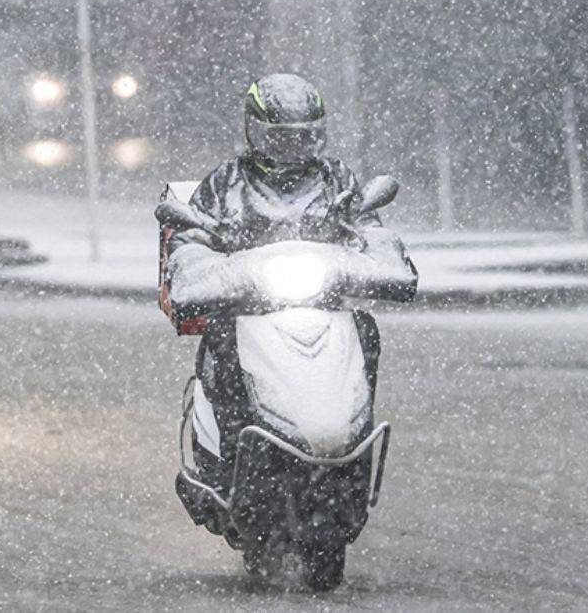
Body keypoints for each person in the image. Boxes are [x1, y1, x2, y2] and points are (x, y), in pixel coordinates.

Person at [161, 73, 417, 528]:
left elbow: (368, 227)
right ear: (253, 131)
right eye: (279, 137)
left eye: (303, 137)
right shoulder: (227, 182)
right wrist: (196, 258)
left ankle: (352, 435)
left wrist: (381, 254)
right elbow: (192, 236)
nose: (291, 147)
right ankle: (221, 461)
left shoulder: (336, 178)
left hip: (324, 305)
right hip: (248, 310)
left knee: (365, 330)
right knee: (220, 340)